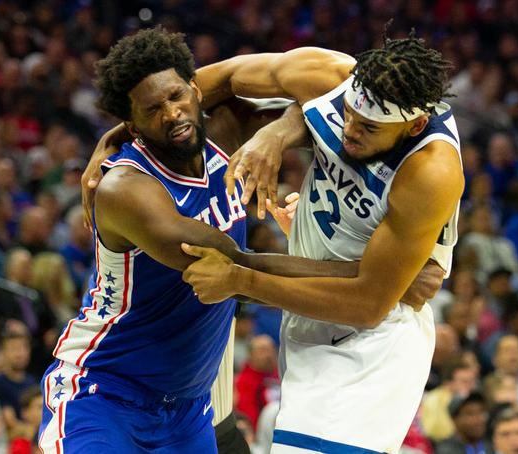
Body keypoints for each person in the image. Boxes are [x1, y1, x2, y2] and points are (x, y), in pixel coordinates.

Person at [70, 27, 443, 454]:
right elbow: (236, 266)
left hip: (188, 407)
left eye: (176, 97)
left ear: (195, 88)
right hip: (106, 389)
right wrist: (384, 277)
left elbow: (317, 109)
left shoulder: (226, 127)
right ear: (132, 123)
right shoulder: (125, 190)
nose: (172, 114)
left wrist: (276, 133)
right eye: (153, 109)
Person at [175, 31, 464, 452]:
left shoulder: (431, 171)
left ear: (414, 125)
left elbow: (367, 304)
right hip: (306, 307)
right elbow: (216, 80)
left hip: (373, 339)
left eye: (368, 128)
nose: (349, 131)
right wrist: (120, 140)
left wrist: (240, 279)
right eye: (347, 113)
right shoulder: (328, 73)